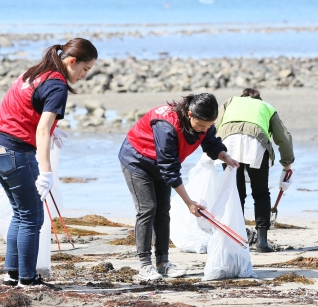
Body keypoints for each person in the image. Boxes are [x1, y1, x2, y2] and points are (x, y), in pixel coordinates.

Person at [0, 38, 97, 287]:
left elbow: (23, 109)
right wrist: (46, 173)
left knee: (21, 213)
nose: (84, 76)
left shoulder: (34, 73)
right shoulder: (57, 85)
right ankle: (28, 279)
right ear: (72, 61)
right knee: (32, 217)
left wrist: (50, 130)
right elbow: (42, 130)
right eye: (85, 69)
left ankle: (12, 273)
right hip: (15, 153)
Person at [119, 93, 239, 281]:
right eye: (201, 126)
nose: (203, 130)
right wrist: (189, 202)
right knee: (147, 209)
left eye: (208, 126)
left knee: (163, 211)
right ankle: (145, 265)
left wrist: (224, 156)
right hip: (137, 161)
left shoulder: (203, 124)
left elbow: (211, 142)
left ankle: (163, 263)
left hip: (160, 165)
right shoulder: (166, 126)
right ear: (190, 114)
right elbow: (170, 169)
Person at [216, 88, 295, 253]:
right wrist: (287, 164)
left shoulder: (230, 102)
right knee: (261, 193)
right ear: (259, 98)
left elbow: (215, 125)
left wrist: (210, 151)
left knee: (235, 194)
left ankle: (236, 238)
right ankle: (262, 242)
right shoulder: (266, 107)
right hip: (257, 144)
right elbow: (284, 137)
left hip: (228, 143)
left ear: (242, 97)